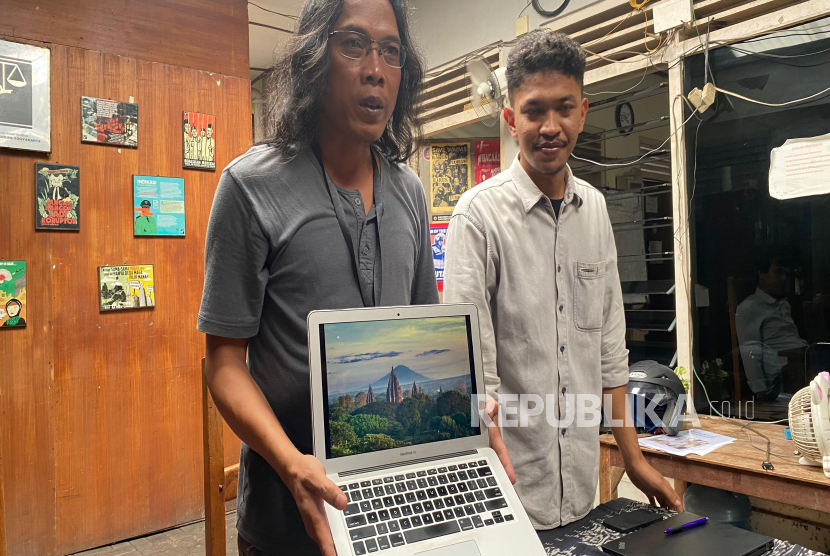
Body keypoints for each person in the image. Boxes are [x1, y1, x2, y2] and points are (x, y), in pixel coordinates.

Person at [196, 1, 434, 554]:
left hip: (400, 512)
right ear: (313, 59)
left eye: (391, 51)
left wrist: (471, 415)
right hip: (285, 519)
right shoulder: (250, 187)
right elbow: (224, 363)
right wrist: (290, 463)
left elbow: (426, 324)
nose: (375, 67)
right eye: (353, 44)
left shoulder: (411, 193)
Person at [443, 30, 682, 530]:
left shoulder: (594, 209)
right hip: (506, 494)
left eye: (564, 108)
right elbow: (471, 375)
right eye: (533, 111)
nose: (550, 126)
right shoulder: (478, 217)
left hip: (581, 491)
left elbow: (610, 352)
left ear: (583, 111)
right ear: (511, 119)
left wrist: (634, 461)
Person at [736, 248, 807, 401]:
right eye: (778, 272)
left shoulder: (784, 304)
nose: (783, 278)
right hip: (782, 374)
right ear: (762, 274)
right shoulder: (749, 308)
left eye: (786, 274)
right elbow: (749, 352)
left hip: (804, 361)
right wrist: (761, 392)